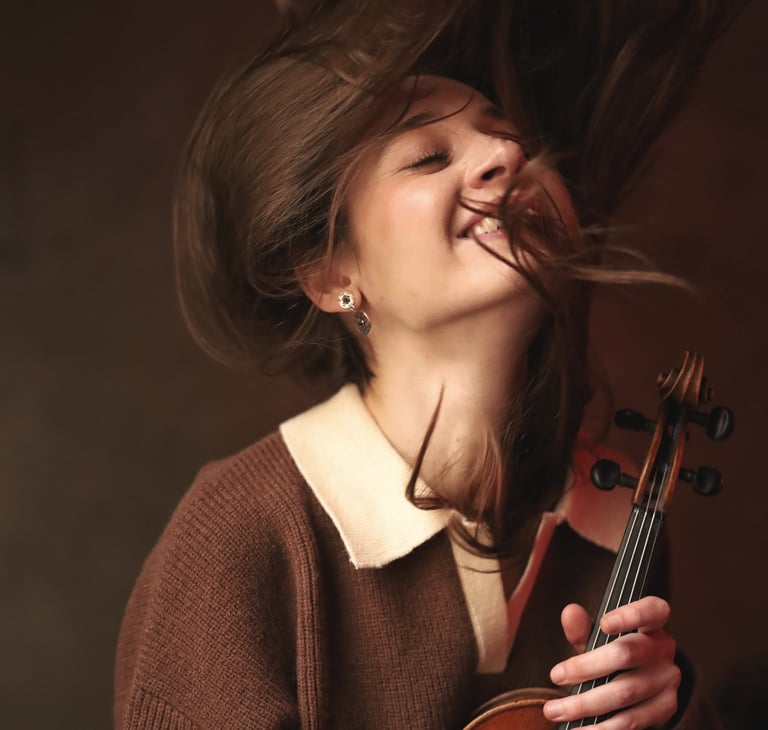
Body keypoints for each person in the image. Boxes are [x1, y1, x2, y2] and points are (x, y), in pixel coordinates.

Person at [115, 1, 738, 727]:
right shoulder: (241, 536)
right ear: (330, 274)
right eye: (428, 157)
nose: (506, 158)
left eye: (512, 139)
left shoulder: (618, 521)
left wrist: (675, 709)